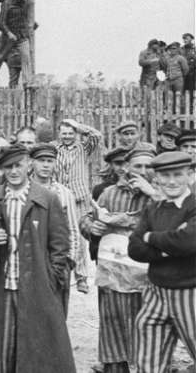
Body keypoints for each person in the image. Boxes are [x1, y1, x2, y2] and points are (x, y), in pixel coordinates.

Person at [0, 145, 76, 373]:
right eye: (7, 167)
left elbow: (60, 244)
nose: (13, 171)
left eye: (18, 165)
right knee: (1, 343)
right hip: (1, 285)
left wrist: (51, 277)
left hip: (37, 283)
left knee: (37, 344)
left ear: (28, 164)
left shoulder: (47, 199)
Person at [80, 144, 156, 373]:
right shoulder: (110, 193)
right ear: (127, 168)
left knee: (148, 332)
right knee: (113, 328)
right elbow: (86, 220)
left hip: (149, 278)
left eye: (148, 166)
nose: (143, 171)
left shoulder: (162, 194)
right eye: (137, 166)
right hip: (113, 275)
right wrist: (93, 227)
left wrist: (151, 192)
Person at [127, 151, 196, 373]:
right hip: (156, 292)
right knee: (148, 362)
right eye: (165, 176)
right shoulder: (153, 208)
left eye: (178, 174)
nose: (172, 181)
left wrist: (151, 238)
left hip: (189, 292)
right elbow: (134, 248)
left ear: (190, 174)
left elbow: (187, 242)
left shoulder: (193, 205)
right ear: (156, 178)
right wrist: (167, 248)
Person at [29, 143, 88, 305]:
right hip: (30, 258)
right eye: (41, 160)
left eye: (50, 161)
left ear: (56, 163)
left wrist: (70, 261)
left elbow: (73, 229)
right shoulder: (25, 189)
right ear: (32, 162)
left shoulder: (63, 192)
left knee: (57, 308)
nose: (46, 165)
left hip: (57, 259)